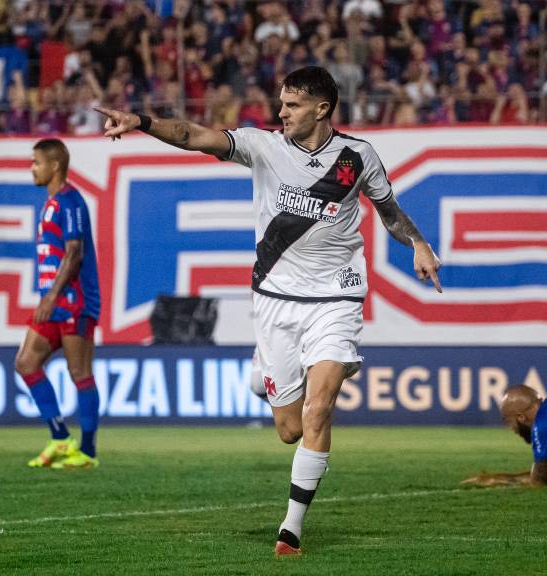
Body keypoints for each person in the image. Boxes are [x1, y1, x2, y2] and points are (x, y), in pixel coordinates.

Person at [96, 66, 442, 556]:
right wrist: (141, 122)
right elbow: (195, 135)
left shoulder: (358, 156)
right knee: (290, 429)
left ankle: (291, 530)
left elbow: (389, 210)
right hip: (276, 299)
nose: (281, 112)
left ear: (322, 108)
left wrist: (419, 245)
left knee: (319, 409)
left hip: (337, 298)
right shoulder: (264, 146)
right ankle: (265, 374)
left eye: (292, 105)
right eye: (281, 103)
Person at [14, 138, 102, 470]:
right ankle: (61, 438)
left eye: (35, 162)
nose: (32, 168)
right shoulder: (51, 203)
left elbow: (74, 253)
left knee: (79, 371)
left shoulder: (71, 201)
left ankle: (88, 452)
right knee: (26, 363)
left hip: (75, 300)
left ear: (54, 166)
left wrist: (51, 296)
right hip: (54, 300)